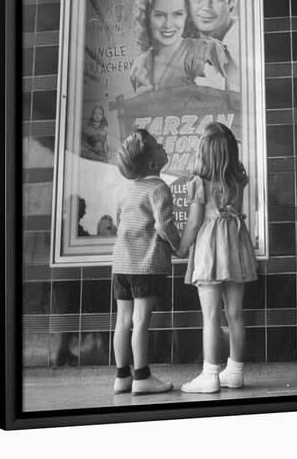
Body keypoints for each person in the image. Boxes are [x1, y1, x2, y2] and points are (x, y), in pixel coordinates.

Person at [176, 122, 258, 393]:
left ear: (204, 153)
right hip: (236, 246)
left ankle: (210, 374)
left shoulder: (199, 183)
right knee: (235, 313)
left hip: (210, 250)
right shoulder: (238, 179)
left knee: (211, 316)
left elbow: (194, 222)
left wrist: (182, 248)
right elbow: (236, 211)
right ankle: (235, 371)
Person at [112, 129, 179, 395]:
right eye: (158, 145)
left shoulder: (126, 191)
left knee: (122, 321)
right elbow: (164, 225)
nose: (163, 146)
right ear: (153, 164)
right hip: (146, 264)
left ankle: (121, 376)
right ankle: (142, 376)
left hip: (121, 264)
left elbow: (120, 223)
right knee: (141, 321)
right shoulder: (158, 187)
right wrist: (178, 246)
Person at [130, 0, 228, 95]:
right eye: (159, 15)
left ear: (188, 16)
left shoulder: (204, 51)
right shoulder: (140, 64)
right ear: (148, 18)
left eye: (178, 14)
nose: (168, 24)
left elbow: (220, 104)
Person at [185, 0, 239, 91]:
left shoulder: (243, 39)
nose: (206, 8)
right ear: (188, 2)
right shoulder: (185, 38)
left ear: (231, 1)